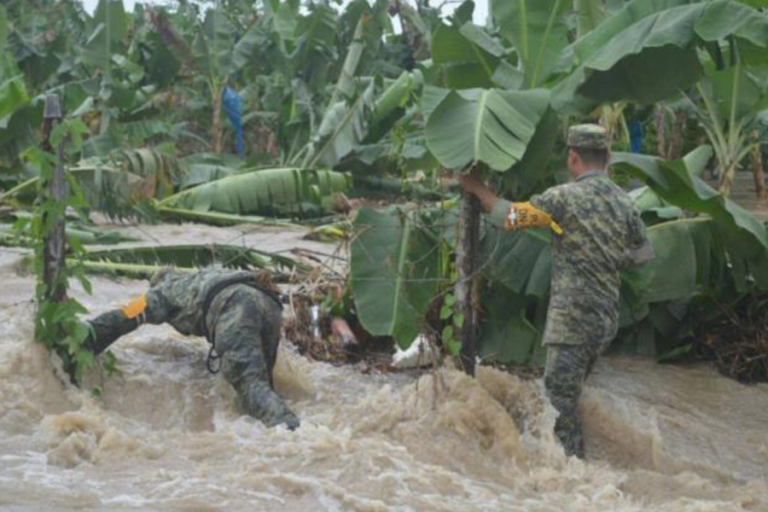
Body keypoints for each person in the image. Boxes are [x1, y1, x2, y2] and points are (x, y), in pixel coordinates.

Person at [460, 124, 653, 458]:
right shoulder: (624, 202)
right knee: (570, 395)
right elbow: (643, 255)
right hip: (605, 322)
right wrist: (606, 256)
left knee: (559, 406)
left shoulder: (562, 198)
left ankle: (574, 480)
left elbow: (510, 217)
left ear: (572, 158)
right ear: (607, 158)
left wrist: (476, 188)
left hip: (572, 323)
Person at [81, 267, 300, 430]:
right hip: (269, 303)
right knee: (262, 386)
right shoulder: (199, 278)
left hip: (235, 306)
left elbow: (126, 315)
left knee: (251, 386)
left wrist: (87, 337)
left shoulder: (162, 292)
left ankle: (293, 433)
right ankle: (277, 428)